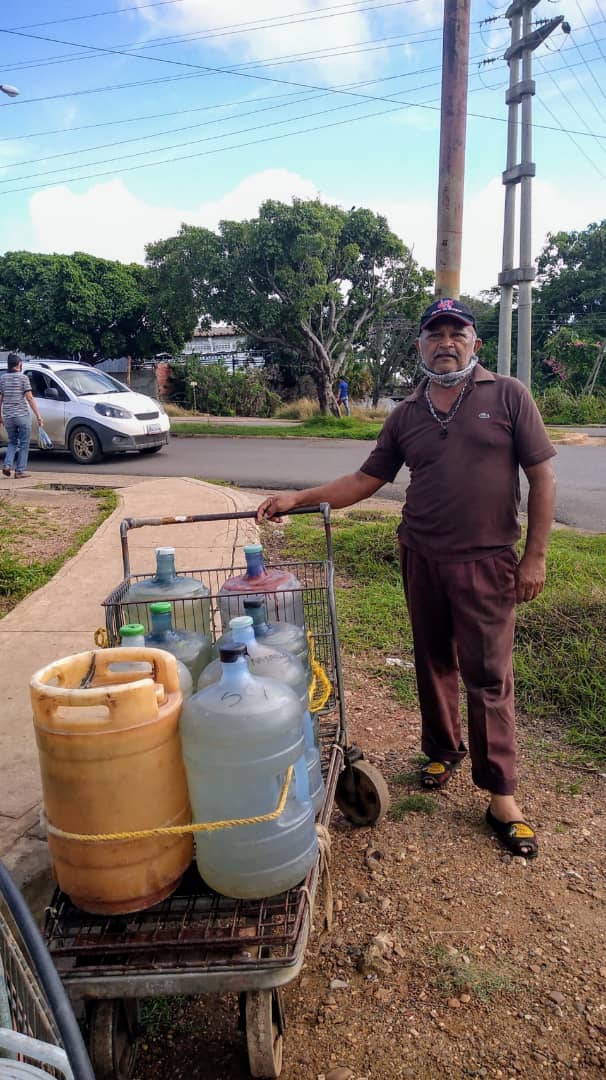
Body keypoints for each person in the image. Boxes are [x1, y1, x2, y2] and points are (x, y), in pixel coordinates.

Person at [257, 297, 556, 860]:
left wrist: (534, 557)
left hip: (488, 561)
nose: (446, 342)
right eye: (434, 334)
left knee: (489, 676)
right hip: (421, 556)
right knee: (433, 659)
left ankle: (501, 795)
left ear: (474, 342)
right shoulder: (407, 412)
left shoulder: (509, 396)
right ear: (420, 346)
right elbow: (366, 479)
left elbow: (543, 479)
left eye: (456, 332)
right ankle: (443, 749)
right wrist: (299, 498)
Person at [0, 353, 44, 478]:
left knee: (12, 442)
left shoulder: (2, 378)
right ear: (19, 364)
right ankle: (19, 471)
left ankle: (7, 465)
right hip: (22, 415)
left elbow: (0, 398)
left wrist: (0, 415)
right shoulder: (23, 378)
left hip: (8, 416)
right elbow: (29, 398)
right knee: (24, 444)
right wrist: (38, 416)